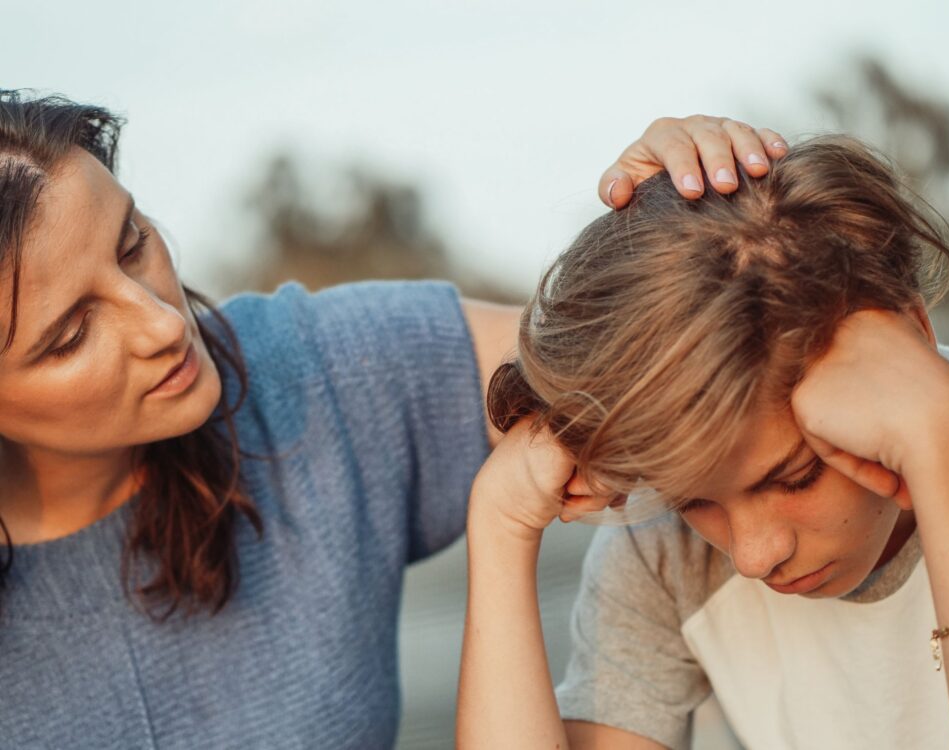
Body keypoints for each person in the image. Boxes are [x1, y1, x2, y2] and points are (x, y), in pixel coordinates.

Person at [0, 89, 785, 748]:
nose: (163, 325)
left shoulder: (317, 372)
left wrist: (697, 225)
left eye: (133, 244)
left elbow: (664, 345)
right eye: (71, 335)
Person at [457, 135, 949, 748]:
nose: (752, 556)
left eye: (794, 476)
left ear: (911, 336)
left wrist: (941, 443)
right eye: (691, 500)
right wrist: (500, 524)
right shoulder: (664, 557)